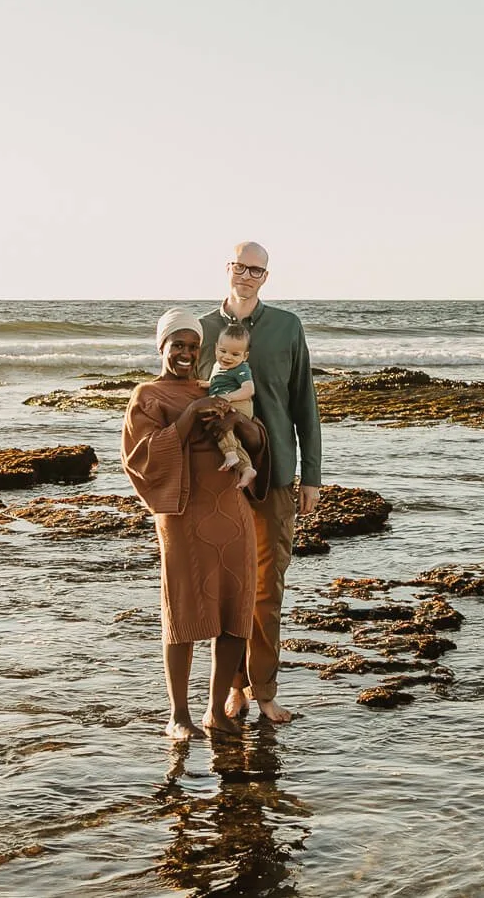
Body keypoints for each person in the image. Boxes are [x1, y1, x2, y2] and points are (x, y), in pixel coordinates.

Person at [123, 306, 271, 742]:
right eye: (178, 345)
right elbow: (141, 457)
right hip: (183, 515)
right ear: (162, 347)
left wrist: (237, 420)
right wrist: (191, 415)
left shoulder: (217, 388)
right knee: (184, 613)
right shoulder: (147, 396)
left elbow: (258, 440)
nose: (186, 353)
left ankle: (215, 711)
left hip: (231, 511)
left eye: (193, 346)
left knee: (235, 613)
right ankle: (178, 715)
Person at [197, 241, 321, 724]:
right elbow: (184, 397)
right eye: (240, 267)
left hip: (277, 476)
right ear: (227, 269)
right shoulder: (202, 330)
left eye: (256, 270)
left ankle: (265, 688)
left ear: (265, 277)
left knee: (268, 588)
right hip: (220, 476)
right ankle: (235, 688)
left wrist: (311, 476)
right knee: (224, 588)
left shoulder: (288, 327)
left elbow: (304, 401)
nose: (246, 275)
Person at [205, 321, 260, 491]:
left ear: (245, 356)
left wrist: (229, 398)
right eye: (223, 351)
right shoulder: (217, 366)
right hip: (230, 401)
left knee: (220, 423)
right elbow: (219, 383)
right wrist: (206, 384)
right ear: (216, 348)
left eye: (235, 354)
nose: (227, 357)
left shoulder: (241, 368)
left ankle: (229, 454)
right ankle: (246, 468)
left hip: (240, 403)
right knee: (235, 440)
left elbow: (249, 389)